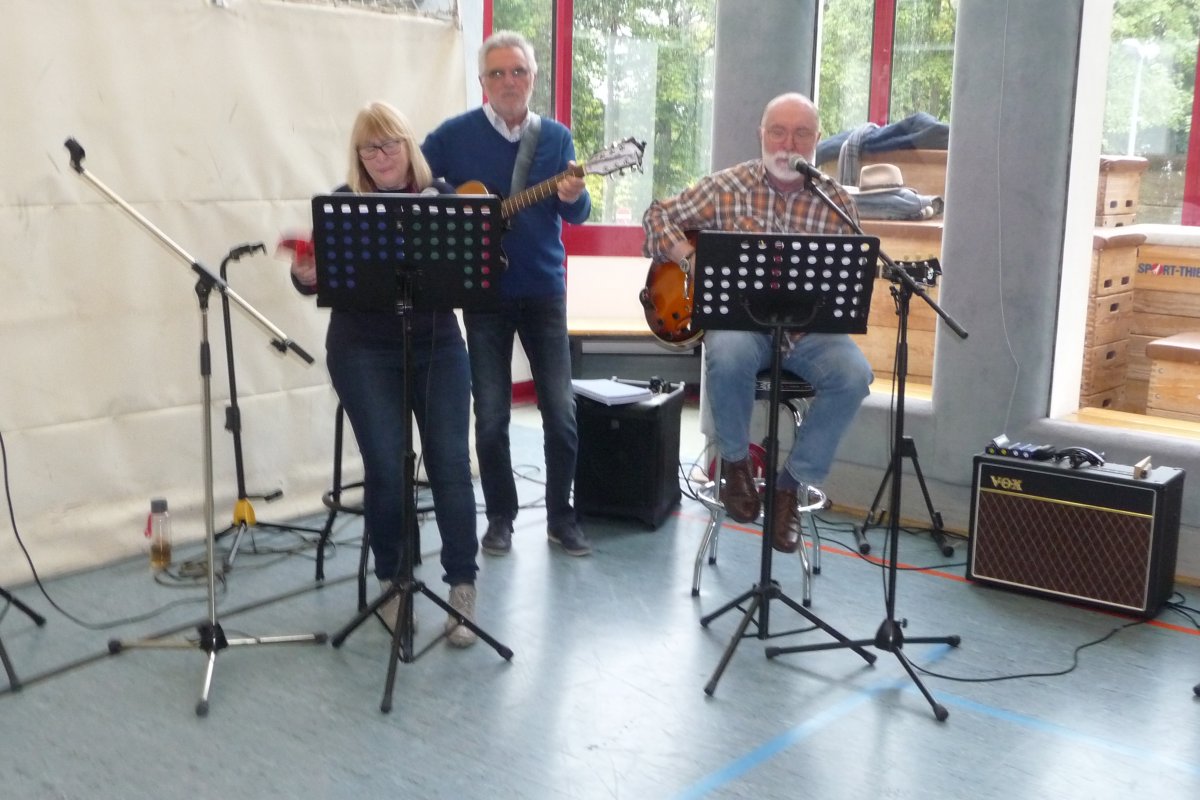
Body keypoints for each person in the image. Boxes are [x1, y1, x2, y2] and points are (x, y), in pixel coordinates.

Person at [641, 92, 874, 554]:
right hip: (742, 326)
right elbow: (657, 215)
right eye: (778, 132)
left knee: (854, 375)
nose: (789, 144)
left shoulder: (836, 201)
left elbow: (852, 278)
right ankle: (735, 465)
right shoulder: (727, 186)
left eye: (801, 133)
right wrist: (689, 258)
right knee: (727, 352)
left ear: (817, 139)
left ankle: (790, 486)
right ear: (761, 135)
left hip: (807, 334)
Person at [289, 101, 480, 647]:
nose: (381, 156)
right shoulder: (344, 205)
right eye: (369, 149)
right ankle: (393, 582)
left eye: (390, 143)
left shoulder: (441, 199)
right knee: (387, 465)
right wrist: (306, 273)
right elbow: (313, 281)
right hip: (362, 350)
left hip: (437, 345)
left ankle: (462, 586)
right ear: (358, 157)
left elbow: (471, 274)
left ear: (408, 145)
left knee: (450, 463)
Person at [422, 31, 593, 558]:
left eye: (518, 71)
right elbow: (418, 180)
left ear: (533, 78)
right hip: (484, 293)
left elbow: (576, 213)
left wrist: (575, 193)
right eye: (497, 72)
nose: (508, 81)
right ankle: (500, 517)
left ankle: (561, 517)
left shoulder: (556, 138)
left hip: (543, 290)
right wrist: (457, 203)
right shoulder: (454, 135)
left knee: (561, 413)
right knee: (492, 415)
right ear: (482, 81)